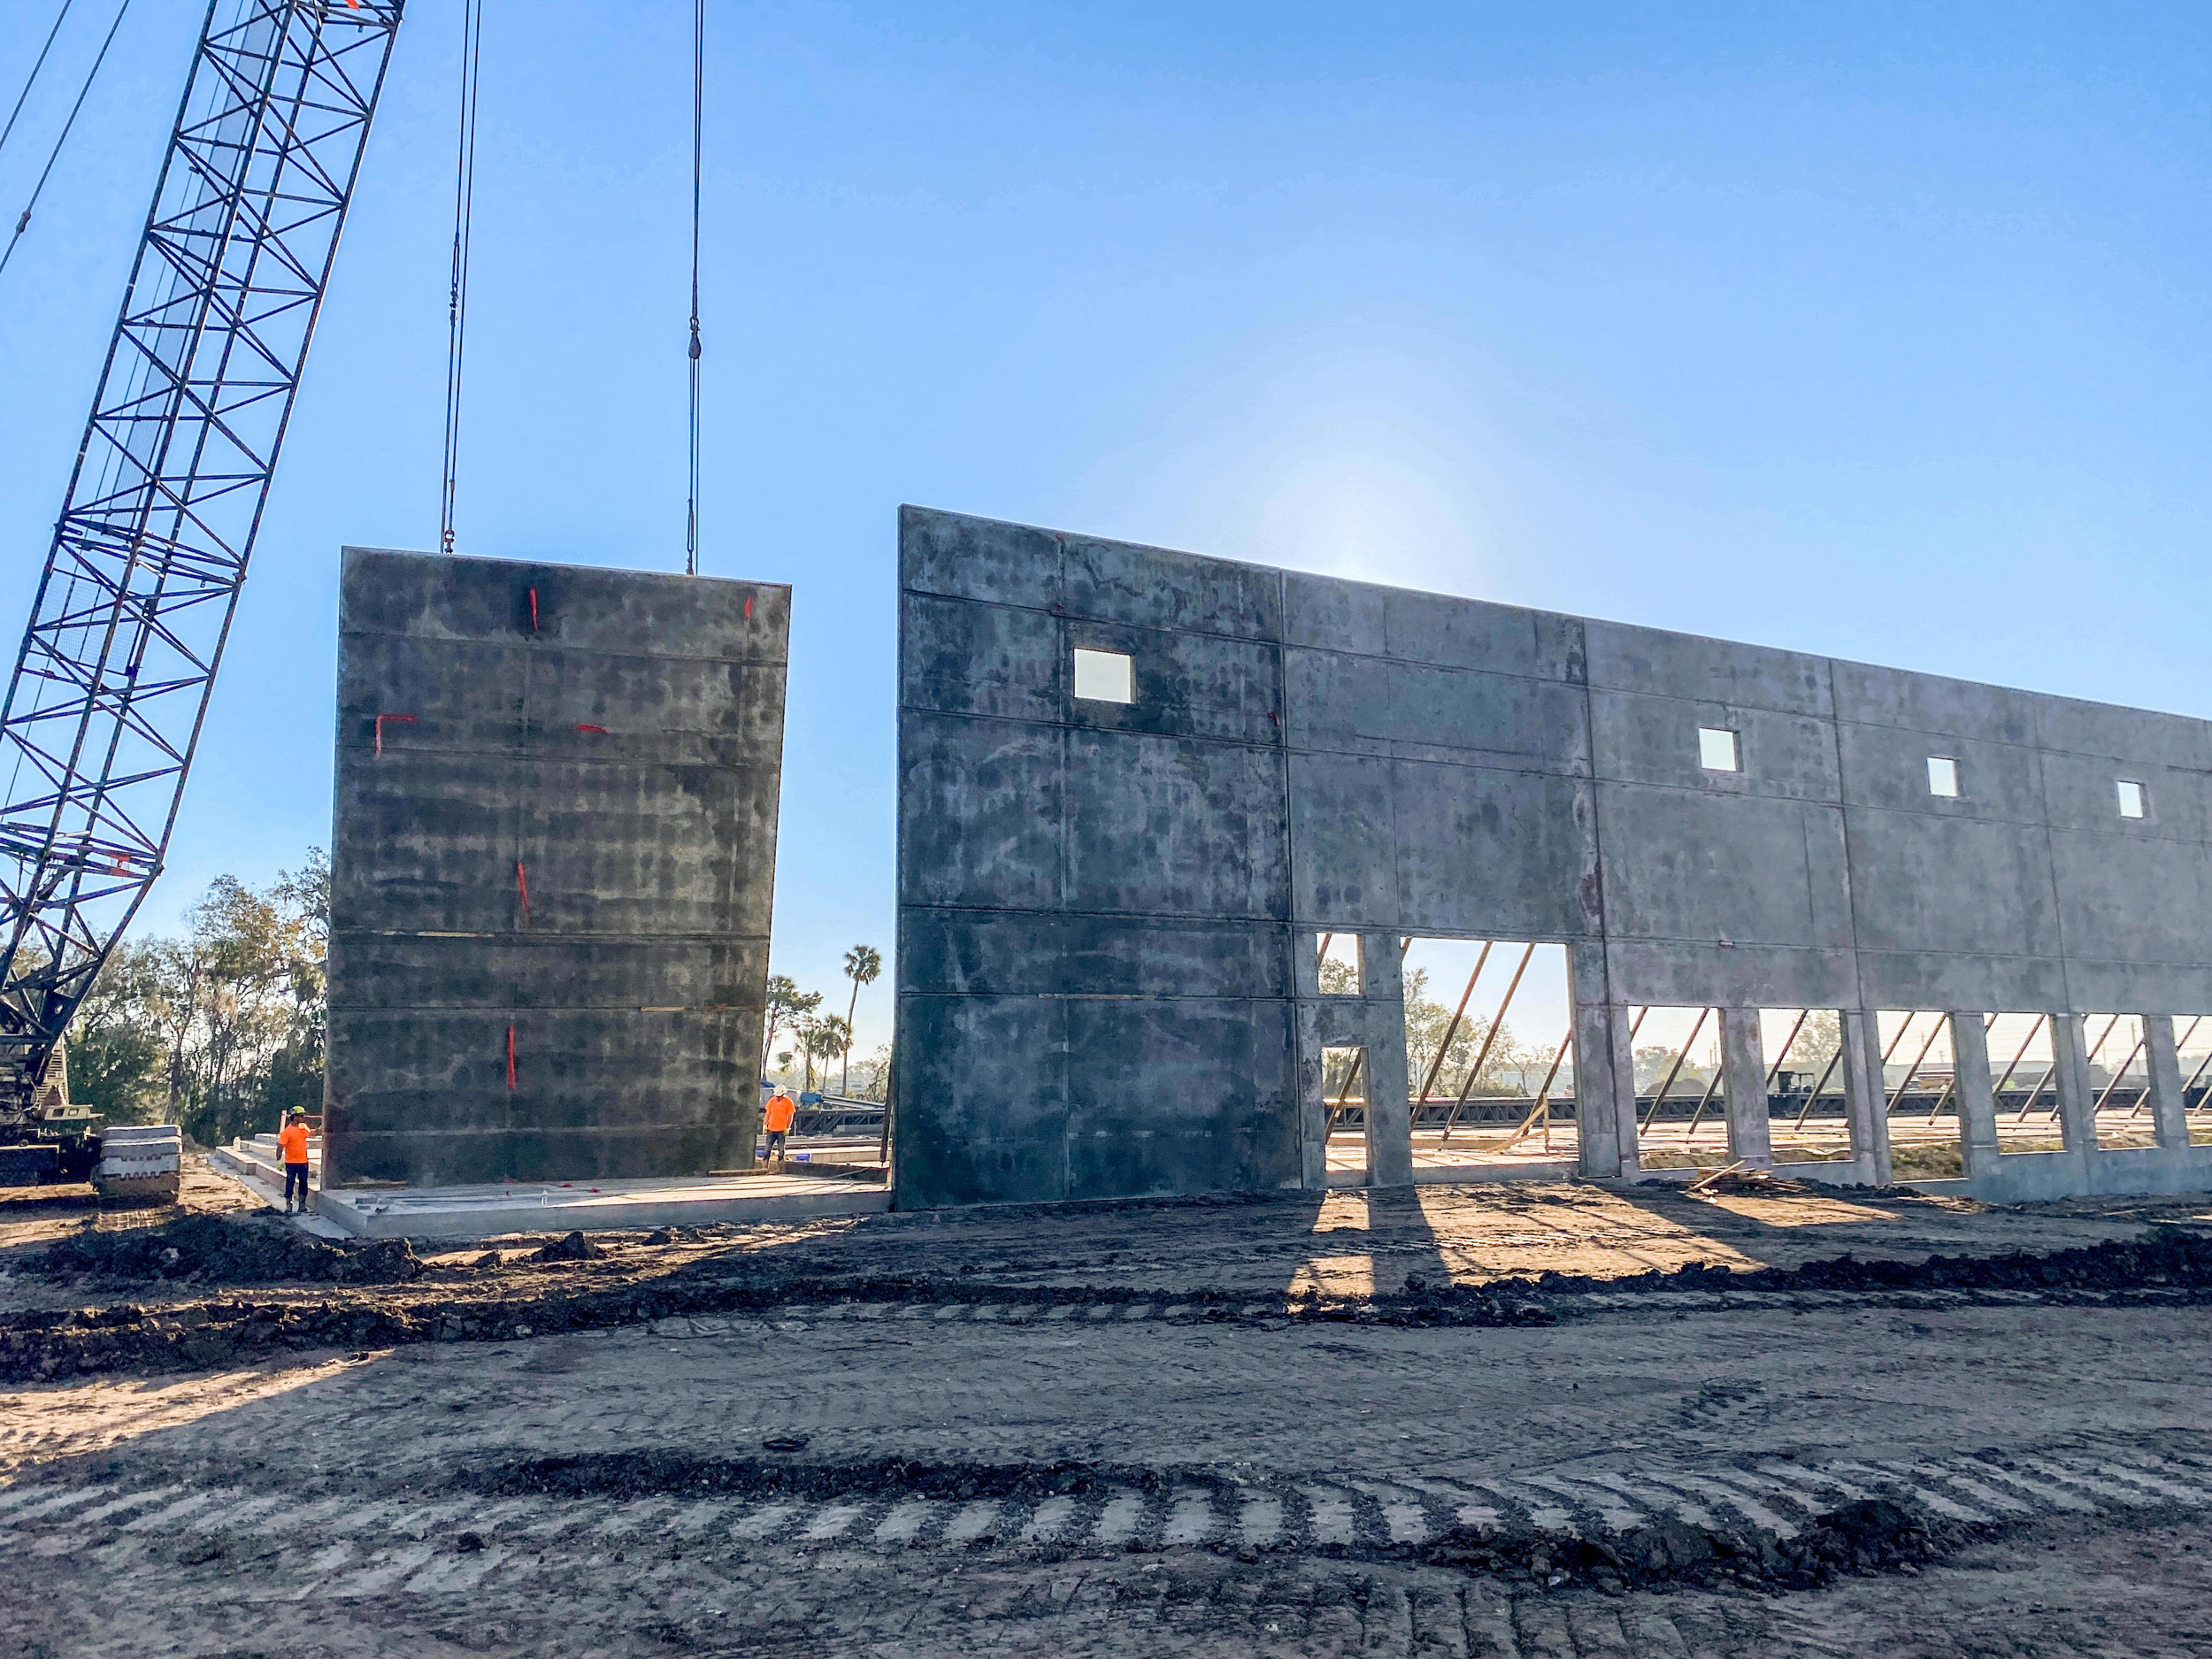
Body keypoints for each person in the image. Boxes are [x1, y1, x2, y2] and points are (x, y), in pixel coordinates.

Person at [278, 1107, 312, 1214]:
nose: (303, 1118)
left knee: (304, 1184)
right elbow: (280, 1146)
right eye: (301, 1116)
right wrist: (279, 1160)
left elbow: (310, 1133)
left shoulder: (303, 1128)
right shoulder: (287, 1132)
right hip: (291, 1163)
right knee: (290, 1184)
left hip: (303, 1162)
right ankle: (289, 1205)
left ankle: (302, 1205)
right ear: (294, 1117)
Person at [762, 1090, 796, 1162]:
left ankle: (780, 1166)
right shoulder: (772, 1101)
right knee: (767, 1149)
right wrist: (765, 1125)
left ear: (783, 1095)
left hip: (782, 1130)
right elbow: (768, 1114)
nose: (778, 1098)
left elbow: (790, 1116)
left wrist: (788, 1128)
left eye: (780, 1096)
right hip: (771, 1129)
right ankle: (765, 1167)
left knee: (781, 1150)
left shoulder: (789, 1102)